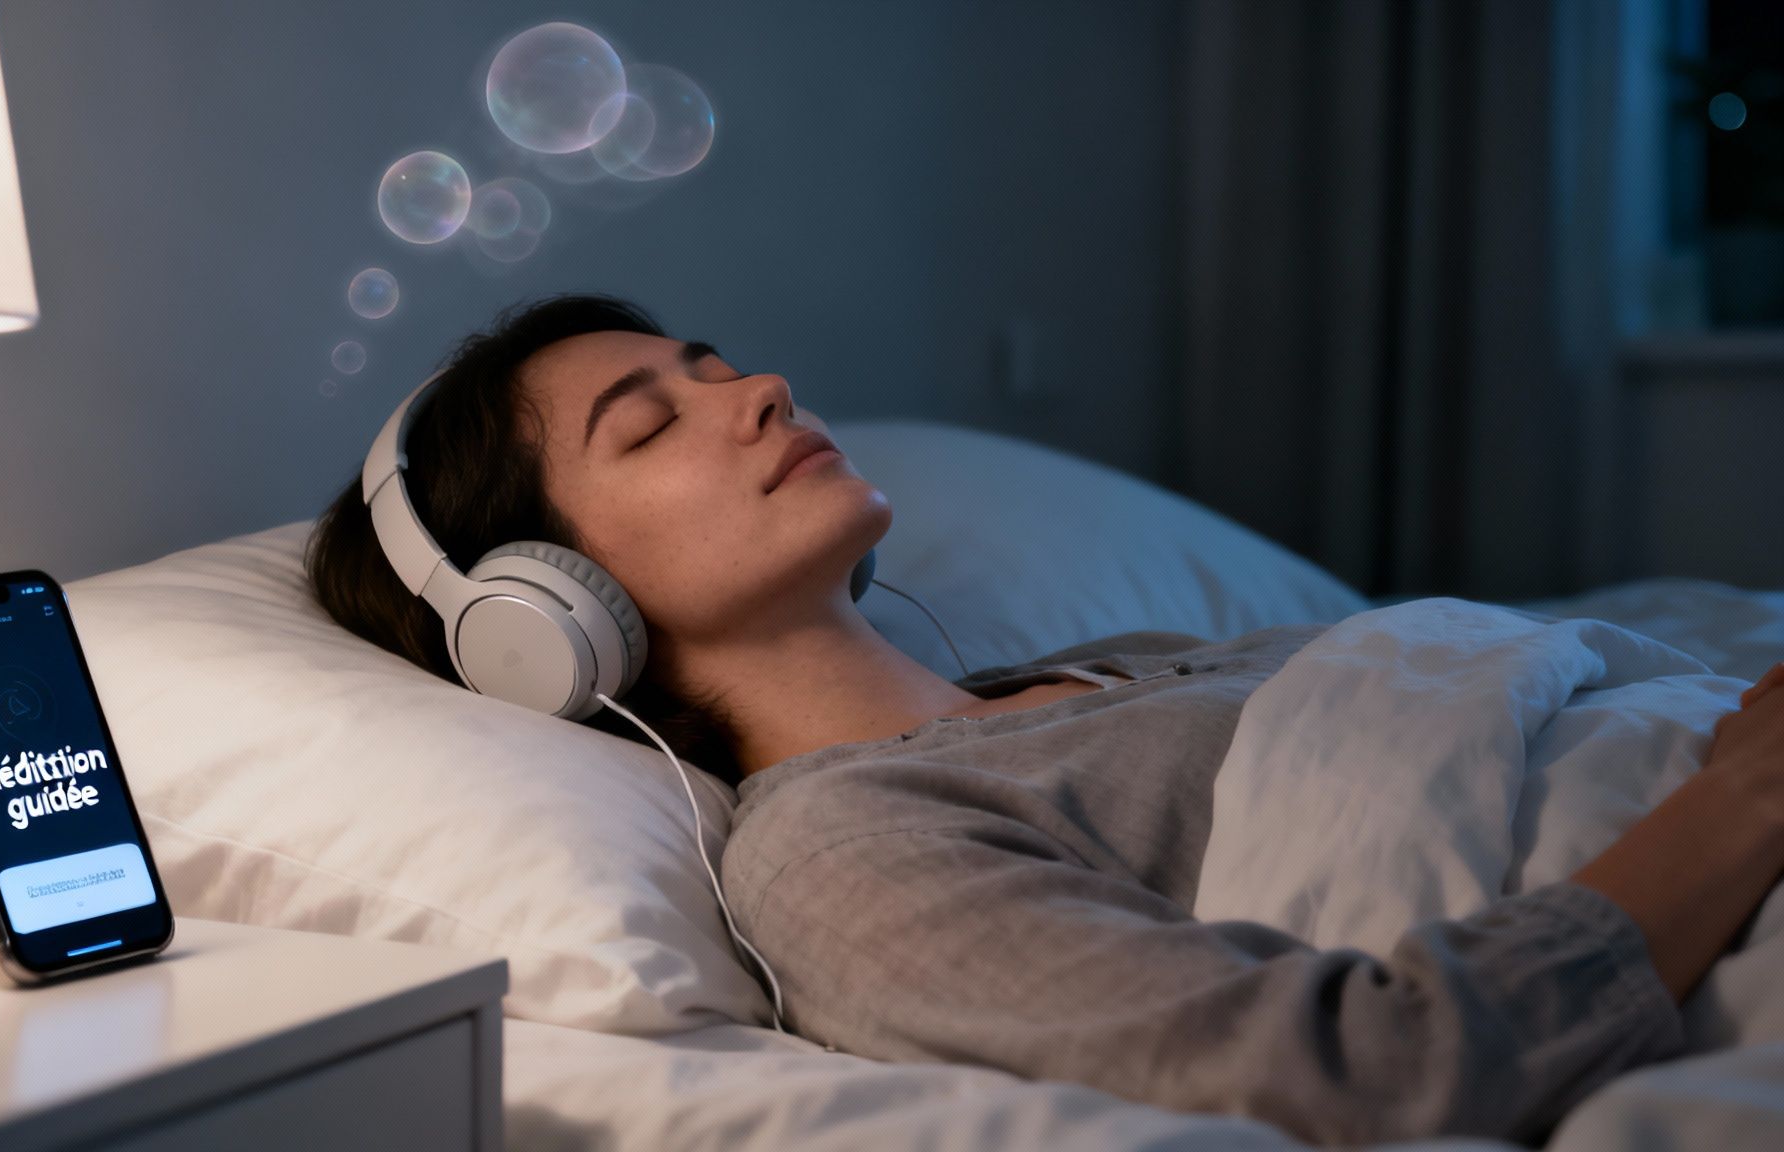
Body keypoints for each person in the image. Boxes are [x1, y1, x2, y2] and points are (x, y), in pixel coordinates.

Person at [306, 293, 1784, 1146]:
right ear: (551, 615)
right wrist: (1742, 802)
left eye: (714, 367)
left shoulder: (1123, 661)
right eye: (650, 423)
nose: (756, 389)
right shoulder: (841, 851)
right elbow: (1357, 1070)